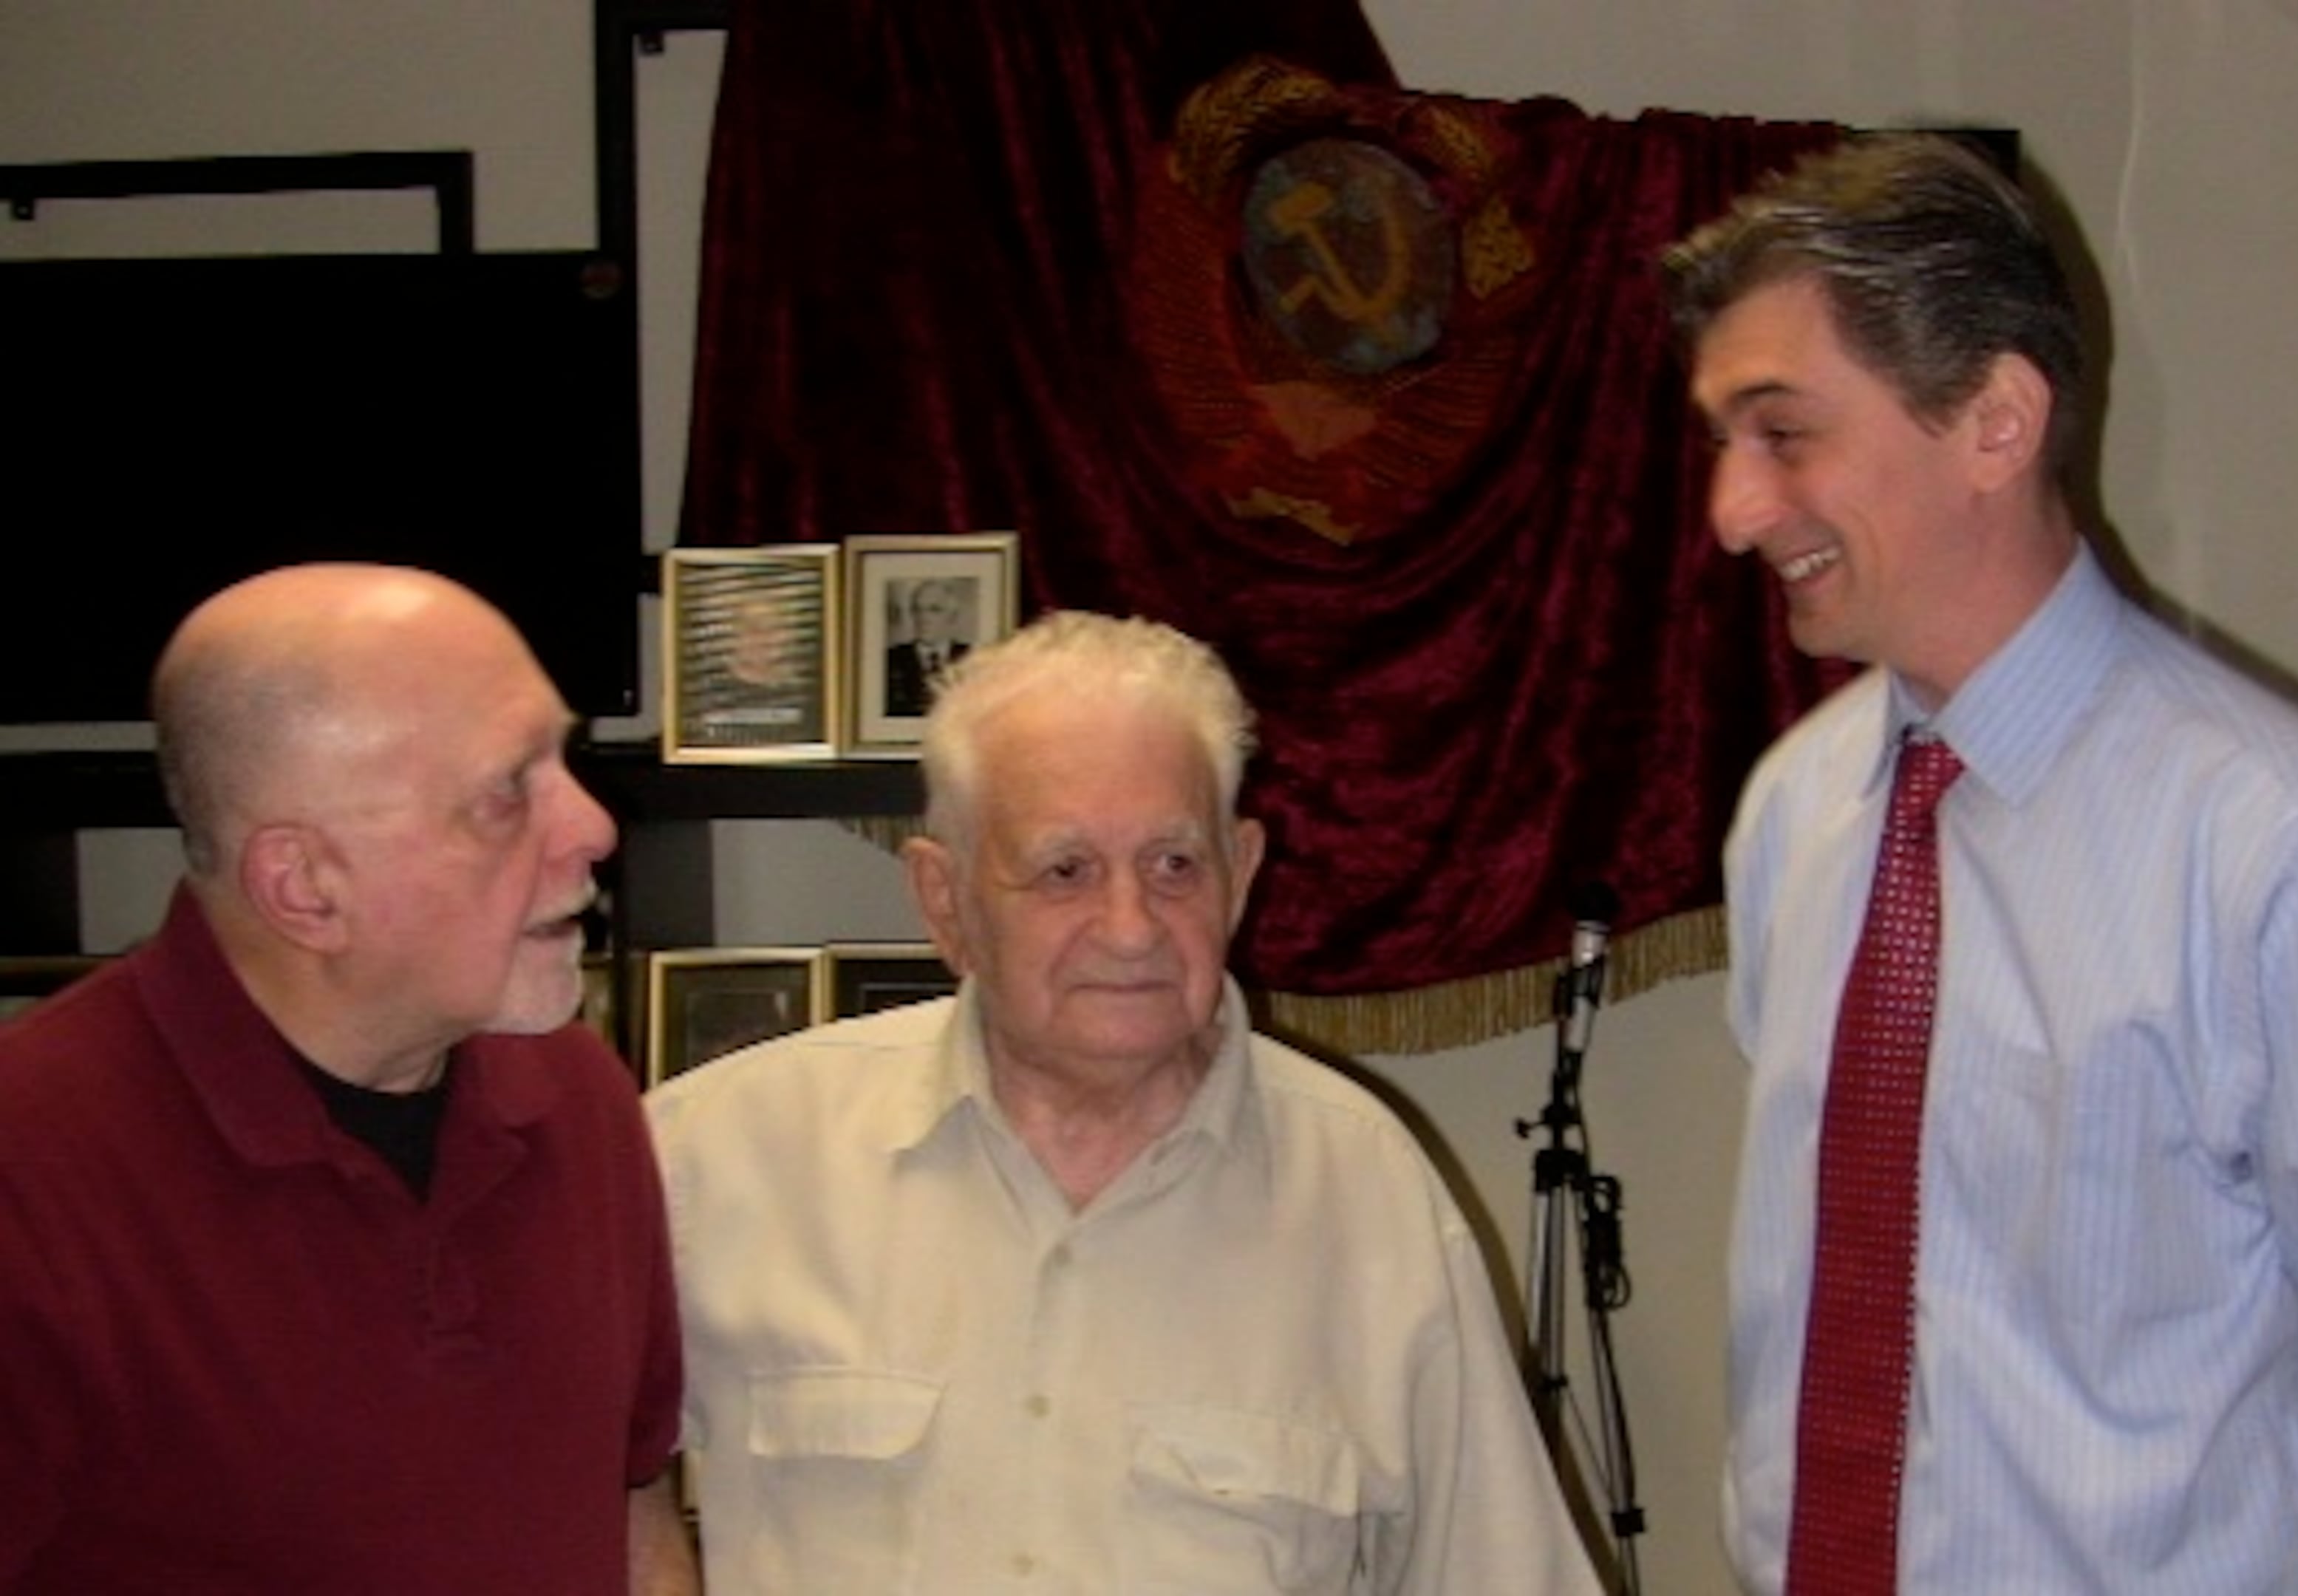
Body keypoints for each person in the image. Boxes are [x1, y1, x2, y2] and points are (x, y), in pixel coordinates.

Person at [1659, 133, 2298, 1592]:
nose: (1732, 509)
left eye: (1784, 433)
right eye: (1724, 441)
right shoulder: (1798, 810)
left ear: (1994, 419)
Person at [641, 610, 1604, 1594]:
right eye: (1065, 870)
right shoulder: (716, 1159)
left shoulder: (1367, 1196)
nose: (1131, 927)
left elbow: (1505, 1573)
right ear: (945, 901)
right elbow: (524, 1476)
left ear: (1242, 876)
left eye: (1174, 865)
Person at [0, 564, 692, 1593]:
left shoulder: (576, 1095)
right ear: (305, 887)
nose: (592, 827)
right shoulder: (33, 1168)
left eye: (566, 760)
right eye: (507, 792)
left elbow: (629, 1506)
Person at [883, 575, 977, 717]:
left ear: (953, 616)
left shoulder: (972, 658)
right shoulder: (890, 659)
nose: (923, 618)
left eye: (934, 610)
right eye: (917, 610)